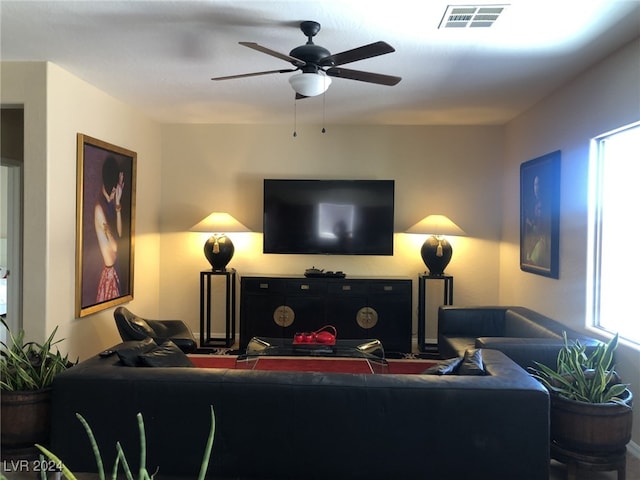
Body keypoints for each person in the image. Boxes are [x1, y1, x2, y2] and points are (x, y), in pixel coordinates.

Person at [94, 156, 124, 302]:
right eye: (117, 187)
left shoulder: (110, 204)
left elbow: (120, 233)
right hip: (109, 276)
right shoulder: (100, 210)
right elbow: (116, 245)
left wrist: (118, 205)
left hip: (115, 271)